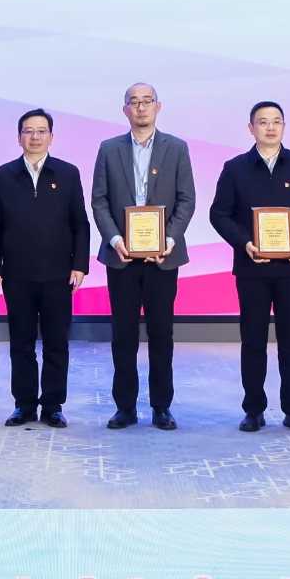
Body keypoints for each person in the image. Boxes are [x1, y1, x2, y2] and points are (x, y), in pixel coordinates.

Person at [208, 101, 290, 433]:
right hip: (252, 268)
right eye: (263, 122)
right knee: (253, 340)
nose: (270, 127)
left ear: (284, 126)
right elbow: (219, 214)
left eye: (277, 121)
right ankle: (253, 409)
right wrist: (245, 242)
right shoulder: (235, 168)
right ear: (251, 128)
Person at [89, 82, 196, 431]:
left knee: (161, 334)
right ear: (125, 110)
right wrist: (115, 238)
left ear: (158, 106)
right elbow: (99, 200)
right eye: (133, 102)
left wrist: (169, 238)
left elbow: (187, 200)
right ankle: (125, 407)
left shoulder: (176, 148)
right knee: (123, 335)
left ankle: (161, 407)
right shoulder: (109, 149)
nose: (140, 107)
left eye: (147, 101)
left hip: (163, 257)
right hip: (121, 256)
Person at [0, 108, 90, 427]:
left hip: (59, 274)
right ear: (19, 137)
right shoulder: (3, 175)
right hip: (17, 274)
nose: (34, 137)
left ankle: (53, 405)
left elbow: (80, 224)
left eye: (41, 131)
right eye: (28, 131)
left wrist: (80, 265)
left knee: (57, 343)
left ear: (51, 137)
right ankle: (24, 404)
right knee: (22, 343)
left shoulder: (67, 173)